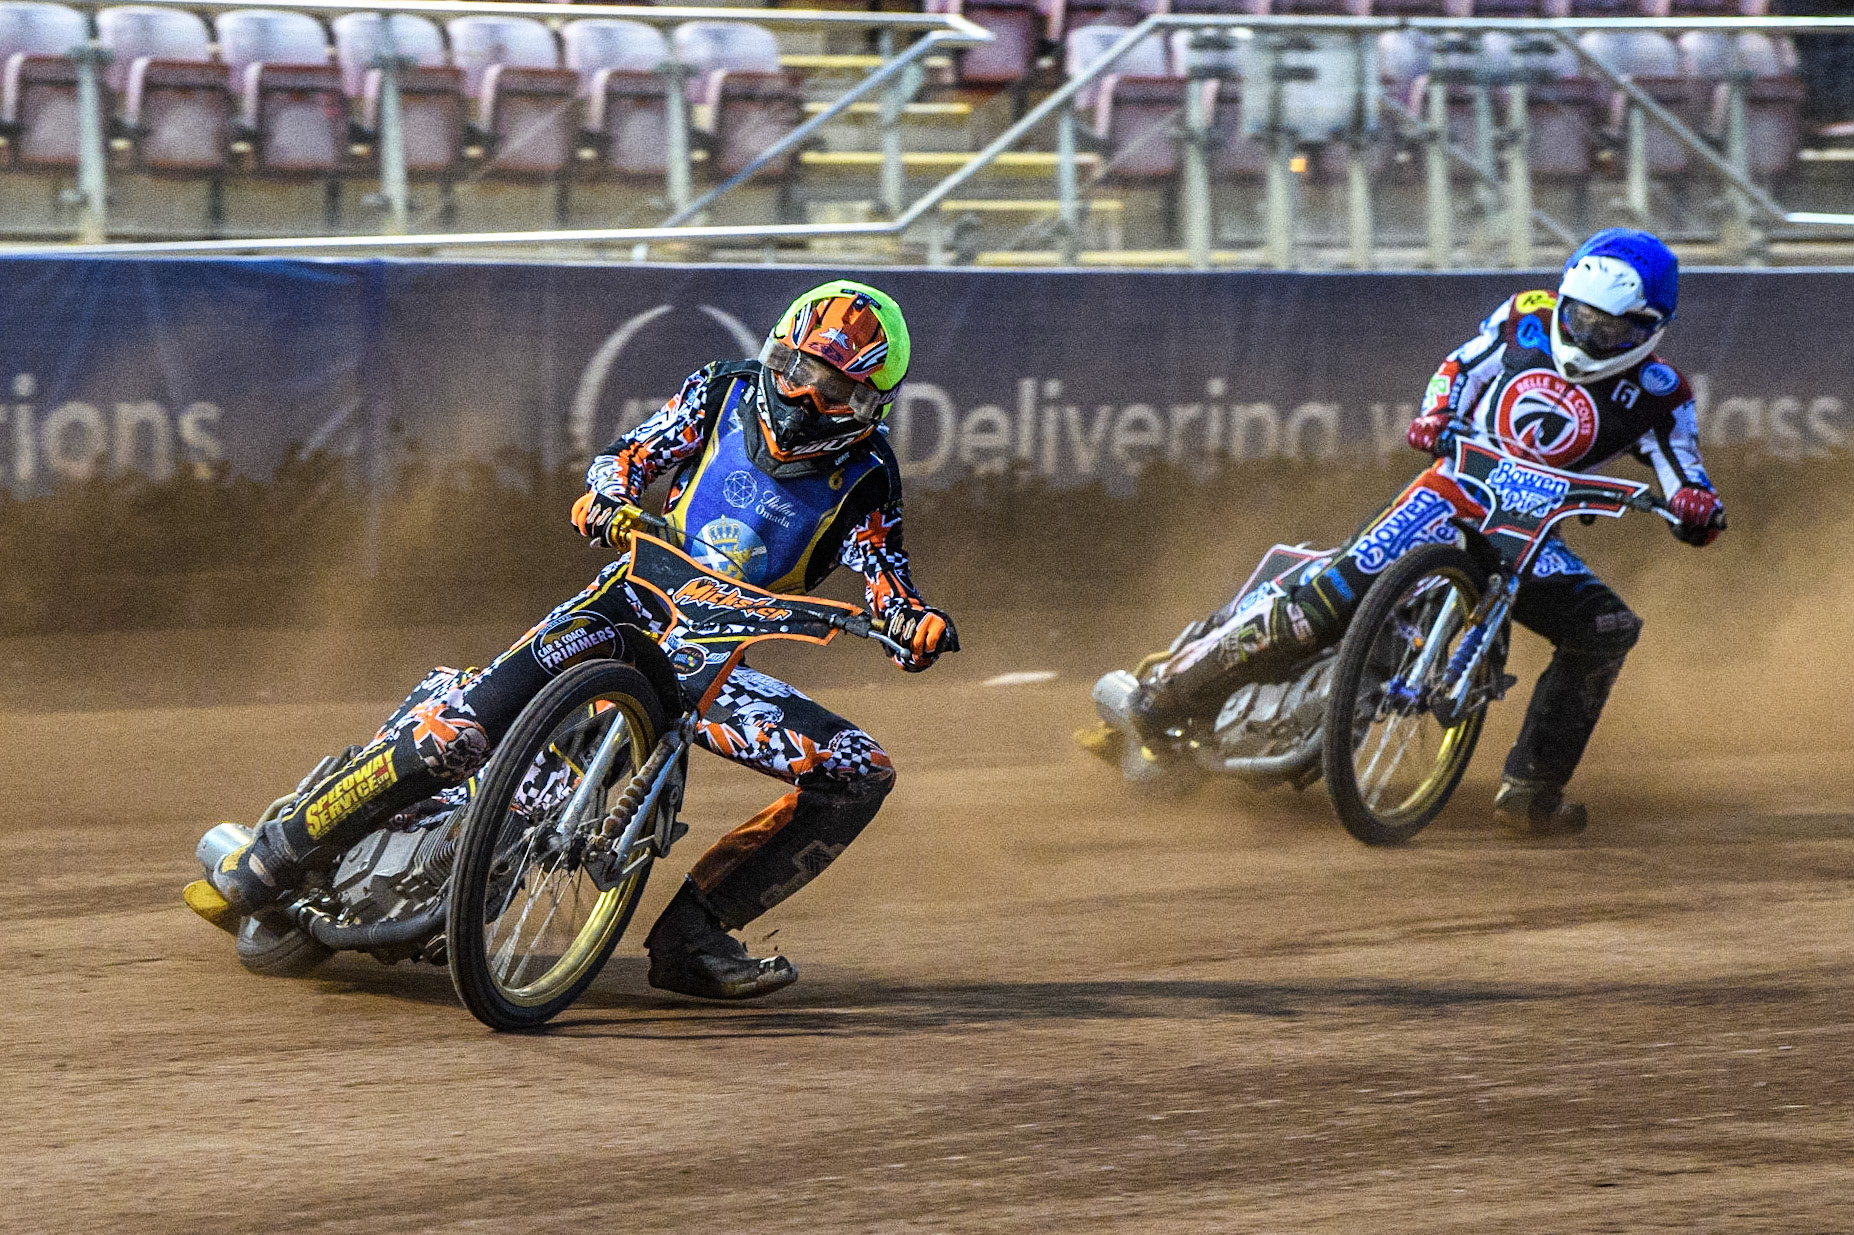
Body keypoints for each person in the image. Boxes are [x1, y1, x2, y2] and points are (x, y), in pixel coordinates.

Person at [186, 280, 959, 999]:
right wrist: (609, 494)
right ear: (775, 352)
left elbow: (885, 576)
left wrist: (910, 625)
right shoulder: (720, 388)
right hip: (619, 611)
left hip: (714, 671)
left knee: (859, 770)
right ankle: (277, 852)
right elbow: (632, 454)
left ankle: (694, 936)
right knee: (457, 732)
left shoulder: (868, 475)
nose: (805, 395)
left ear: (870, 402)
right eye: (796, 368)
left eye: (835, 388)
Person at [1128, 229, 1724, 835]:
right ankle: (1171, 696)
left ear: (1651, 328)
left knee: (1606, 628)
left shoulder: (1662, 394)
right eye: (1578, 316)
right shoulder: (1527, 317)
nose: (1587, 335)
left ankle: (1533, 787)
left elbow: (1685, 471)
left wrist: (1695, 506)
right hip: (1451, 492)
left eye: (1610, 328)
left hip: (1532, 533)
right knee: (1322, 604)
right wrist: (1436, 415)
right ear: (1562, 296)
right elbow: (1460, 367)